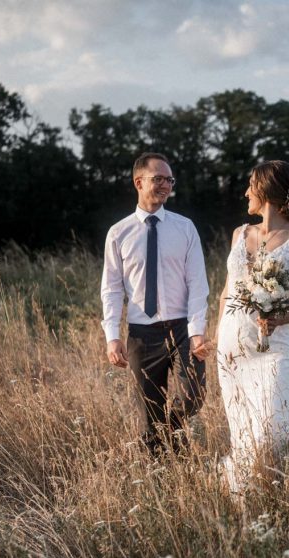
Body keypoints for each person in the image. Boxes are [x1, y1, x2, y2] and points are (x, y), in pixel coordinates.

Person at [213, 160, 289, 493]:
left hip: (272, 349)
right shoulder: (239, 233)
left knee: (270, 428)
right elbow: (225, 293)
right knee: (241, 430)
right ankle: (245, 496)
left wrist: (276, 319)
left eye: (250, 185)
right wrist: (215, 338)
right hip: (231, 346)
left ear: (266, 189)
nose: (245, 192)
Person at [101, 152, 210, 456]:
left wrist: (197, 329)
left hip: (183, 328)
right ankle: (162, 479)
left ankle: (171, 428)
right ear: (139, 182)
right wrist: (112, 336)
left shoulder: (185, 228)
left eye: (170, 180)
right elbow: (110, 288)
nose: (166, 185)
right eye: (158, 179)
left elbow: (198, 283)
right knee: (148, 416)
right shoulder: (118, 233)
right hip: (141, 333)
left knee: (194, 395)